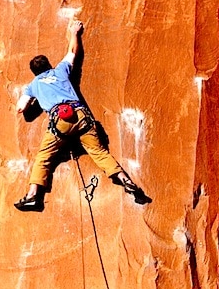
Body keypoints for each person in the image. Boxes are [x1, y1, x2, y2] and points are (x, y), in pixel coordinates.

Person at [14, 20, 151, 212]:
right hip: (82, 117)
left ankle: (32, 196)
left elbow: (22, 108)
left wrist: (36, 98)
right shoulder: (60, 70)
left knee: (44, 156)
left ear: (34, 72)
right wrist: (74, 33)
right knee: (100, 153)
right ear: (49, 65)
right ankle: (125, 180)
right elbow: (72, 52)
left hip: (59, 122)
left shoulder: (33, 84)